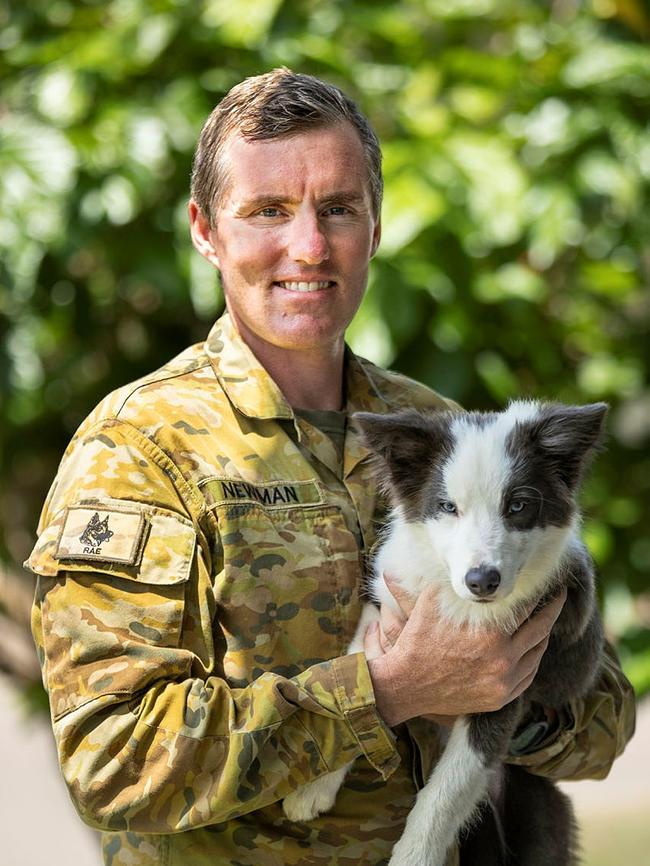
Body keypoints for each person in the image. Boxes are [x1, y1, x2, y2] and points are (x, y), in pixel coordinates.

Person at [27, 68, 635, 866]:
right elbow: (113, 765)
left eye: (339, 209)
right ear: (206, 229)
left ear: (375, 227)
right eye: (267, 211)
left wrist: (496, 703)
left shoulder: (446, 436)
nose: (309, 247)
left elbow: (605, 723)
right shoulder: (136, 451)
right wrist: (387, 691)